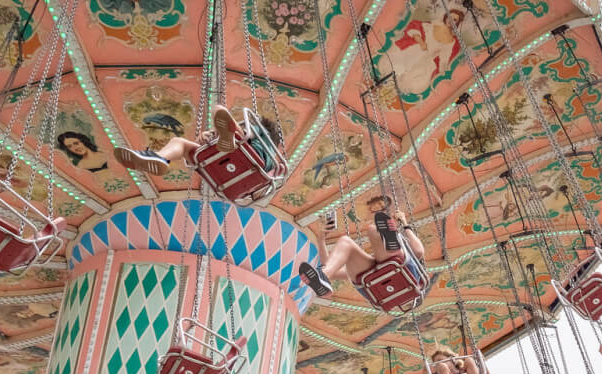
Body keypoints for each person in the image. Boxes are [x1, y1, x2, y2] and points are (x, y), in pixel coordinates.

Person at [296, 194, 427, 298]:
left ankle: (390, 244)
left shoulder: (405, 256)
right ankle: (322, 276)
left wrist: (405, 224)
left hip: (391, 274)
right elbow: (329, 265)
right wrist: (321, 239)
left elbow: (419, 251)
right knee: (346, 241)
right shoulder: (371, 262)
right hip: (375, 276)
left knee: (372, 230)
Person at [114, 105, 284, 177]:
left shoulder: (263, 135)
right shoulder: (268, 157)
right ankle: (158, 158)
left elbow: (247, 134)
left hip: (248, 159)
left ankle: (227, 139)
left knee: (219, 110)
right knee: (180, 142)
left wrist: (215, 133)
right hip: (231, 170)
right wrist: (203, 139)